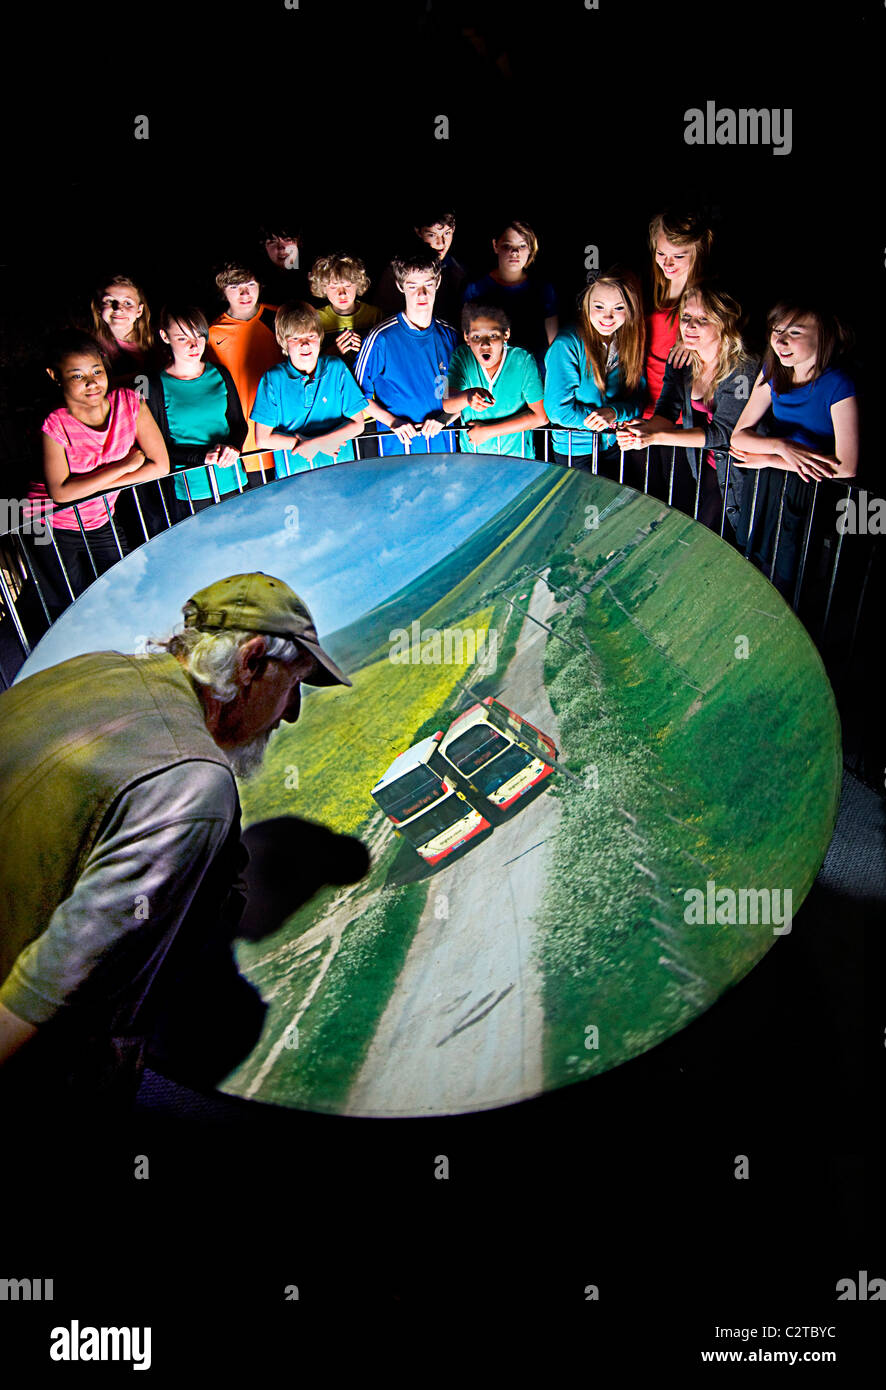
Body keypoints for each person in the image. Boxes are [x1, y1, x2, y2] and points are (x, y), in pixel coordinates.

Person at [0, 572, 351, 1106]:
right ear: (251, 661)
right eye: (294, 682)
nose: (293, 711)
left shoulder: (95, 668)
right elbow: (43, 1005)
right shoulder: (193, 781)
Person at [23, 331, 169, 615]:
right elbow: (61, 492)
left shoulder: (129, 402)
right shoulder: (55, 422)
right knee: (65, 597)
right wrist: (124, 467)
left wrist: (94, 486)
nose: (91, 382)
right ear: (55, 375)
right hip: (48, 522)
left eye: (96, 371)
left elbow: (160, 466)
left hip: (100, 515)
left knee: (125, 582)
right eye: (77, 375)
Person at [729, 300, 858, 596]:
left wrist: (771, 459)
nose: (781, 340)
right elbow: (739, 437)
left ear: (824, 336)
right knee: (753, 560)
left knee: (790, 574)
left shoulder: (838, 384)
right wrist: (780, 446)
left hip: (808, 490)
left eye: (795, 332)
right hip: (769, 486)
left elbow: (847, 466)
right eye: (777, 330)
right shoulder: (773, 371)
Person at [616, 284, 758, 536]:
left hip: (742, 470)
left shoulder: (743, 367)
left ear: (724, 321)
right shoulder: (681, 358)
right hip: (704, 467)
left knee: (722, 537)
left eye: (702, 319)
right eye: (686, 317)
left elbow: (723, 434)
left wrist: (655, 437)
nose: (690, 326)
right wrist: (640, 429)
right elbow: (667, 411)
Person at [354, 246, 458, 456]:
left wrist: (444, 419)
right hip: (398, 449)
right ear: (400, 286)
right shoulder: (381, 338)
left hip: (443, 447)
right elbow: (355, 395)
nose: (422, 294)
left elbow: (461, 391)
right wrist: (393, 422)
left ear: (437, 282)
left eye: (428, 284)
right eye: (413, 286)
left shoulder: (450, 335)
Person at [146, 306, 248, 519]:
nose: (194, 345)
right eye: (183, 338)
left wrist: (233, 447)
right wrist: (202, 456)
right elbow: (157, 446)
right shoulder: (155, 385)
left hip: (233, 477)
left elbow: (238, 423)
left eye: (199, 336)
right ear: (165, 336)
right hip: (190, 488)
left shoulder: (219, 373)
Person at [543, 270, 646, 472]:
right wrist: (606, 420)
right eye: (599, 307)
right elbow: (557, 411)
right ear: (586, 305)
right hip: (575, 449)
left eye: (618, 308)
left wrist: (615, 413)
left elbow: (639, 399)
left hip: (613, 444)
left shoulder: (629, 341)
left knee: (611, 503)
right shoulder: (567, 343)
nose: (607, 316)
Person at [251, 302, 367, 477]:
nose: (305, 344)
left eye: (311, 336)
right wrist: (310, 444)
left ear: (319, 337)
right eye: (296, 338)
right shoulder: (273, 378)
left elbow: (358, 424)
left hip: (341, 467)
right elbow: (263, 439)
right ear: (284, 341)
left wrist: (317, 443)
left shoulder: (336, 368)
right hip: (294, 473)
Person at [206, 264, 282, 488]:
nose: (245, 293)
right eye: (235, 287)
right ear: (223, 291)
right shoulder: (212, 333)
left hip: (285, 428)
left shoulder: (278, 317)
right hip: (247, 437)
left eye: (250, 285)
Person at [442, 303, 546, 456]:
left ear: (506, 335)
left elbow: (541, 417)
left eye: (493, 335)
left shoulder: (522, 360)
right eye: (477, 337)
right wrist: (467, 397)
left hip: (519, 459)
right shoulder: (463, 356)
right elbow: (448, 405)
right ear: (467, 337)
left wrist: (488, 431)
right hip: (474, 458)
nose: (485, 344)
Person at [642, 210, 713, 418]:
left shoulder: (706, 298)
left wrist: (695, 342)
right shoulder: (652, 287)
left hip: (680, 411)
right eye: (661, 253)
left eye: (679, 256)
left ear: (698, 251)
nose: (667, 263)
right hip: (641, 404)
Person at [464, 220, 558, 370]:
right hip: (493, 373)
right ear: (496, 246)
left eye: (522, 246)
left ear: (530, 249)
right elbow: (470, 339)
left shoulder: (542, 289)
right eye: (507, 246)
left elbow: (554, 344)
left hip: (534, 372)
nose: (515, 252)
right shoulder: (477, 289)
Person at [375, 208, 467, 325]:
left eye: (447, 233)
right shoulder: (399, 269)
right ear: (418, 232)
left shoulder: (458, 270)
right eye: (432, 235)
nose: (441, 243)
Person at [310, 254, 381, 367]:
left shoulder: (374, 315)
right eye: (333, 287)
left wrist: (365, 347)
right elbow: (310, 362)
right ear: (323, 288)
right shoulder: (315, 318)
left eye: (347, 285)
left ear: (358, 284)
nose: (342, 293)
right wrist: (334, 351)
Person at [90, 274, 157, 388]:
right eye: (109, 301)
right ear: (98, 308)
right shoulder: (91, 343)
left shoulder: (154, 340)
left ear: (139, 310)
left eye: (127, 303)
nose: (118, 308)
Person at [259, 220, 310, 306]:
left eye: (287, 240)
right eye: (272, 242)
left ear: (298, 243)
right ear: (264, 247)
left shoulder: (314, 275)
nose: (281, 248)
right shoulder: (257, 282)